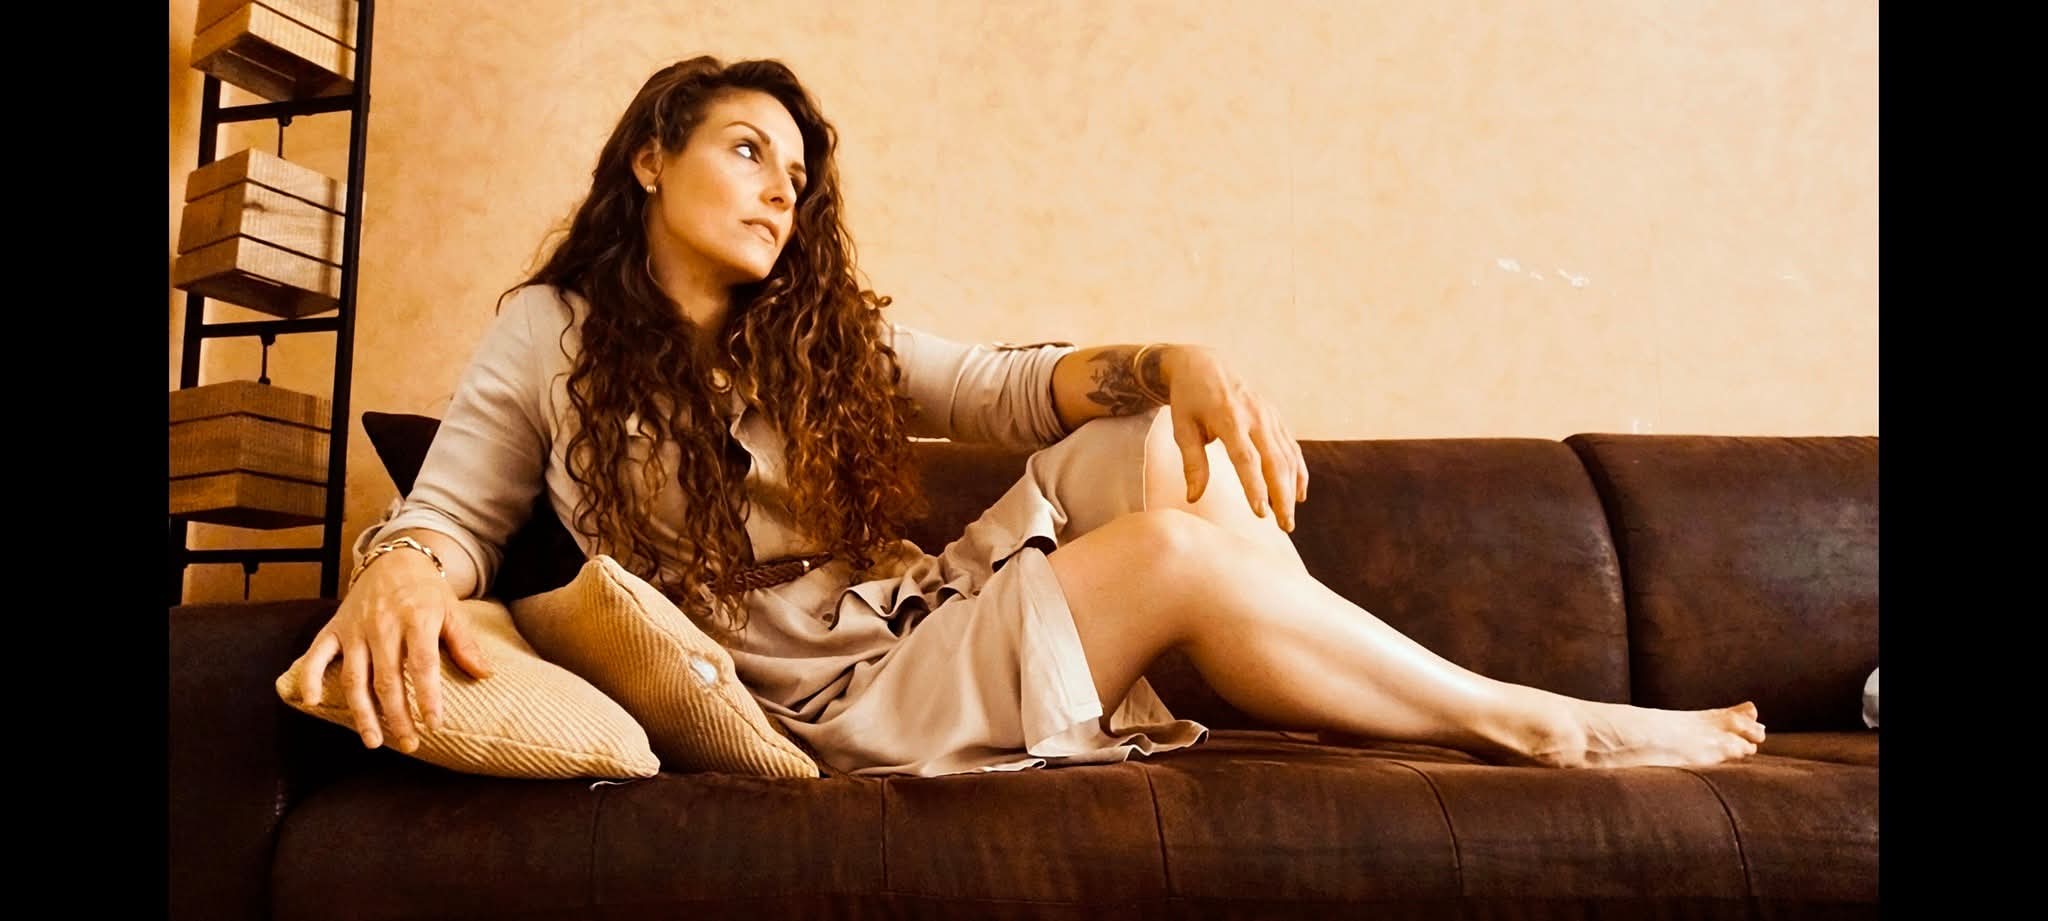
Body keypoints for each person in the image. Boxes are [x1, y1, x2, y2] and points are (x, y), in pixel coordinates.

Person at [287, 56, 1766, 777]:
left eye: (796, 174)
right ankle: (1533, 720)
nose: (780, 188)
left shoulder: (822, 335)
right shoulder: (549, 332)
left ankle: (1414, 682)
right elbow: (454, 512)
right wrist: (403, 569)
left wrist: (1174, 358)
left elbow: (1002, 386)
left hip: (903, 620)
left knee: (1157, 446)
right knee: (1180, 555)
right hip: (819, 700)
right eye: (745, 150)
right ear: (649, 162)